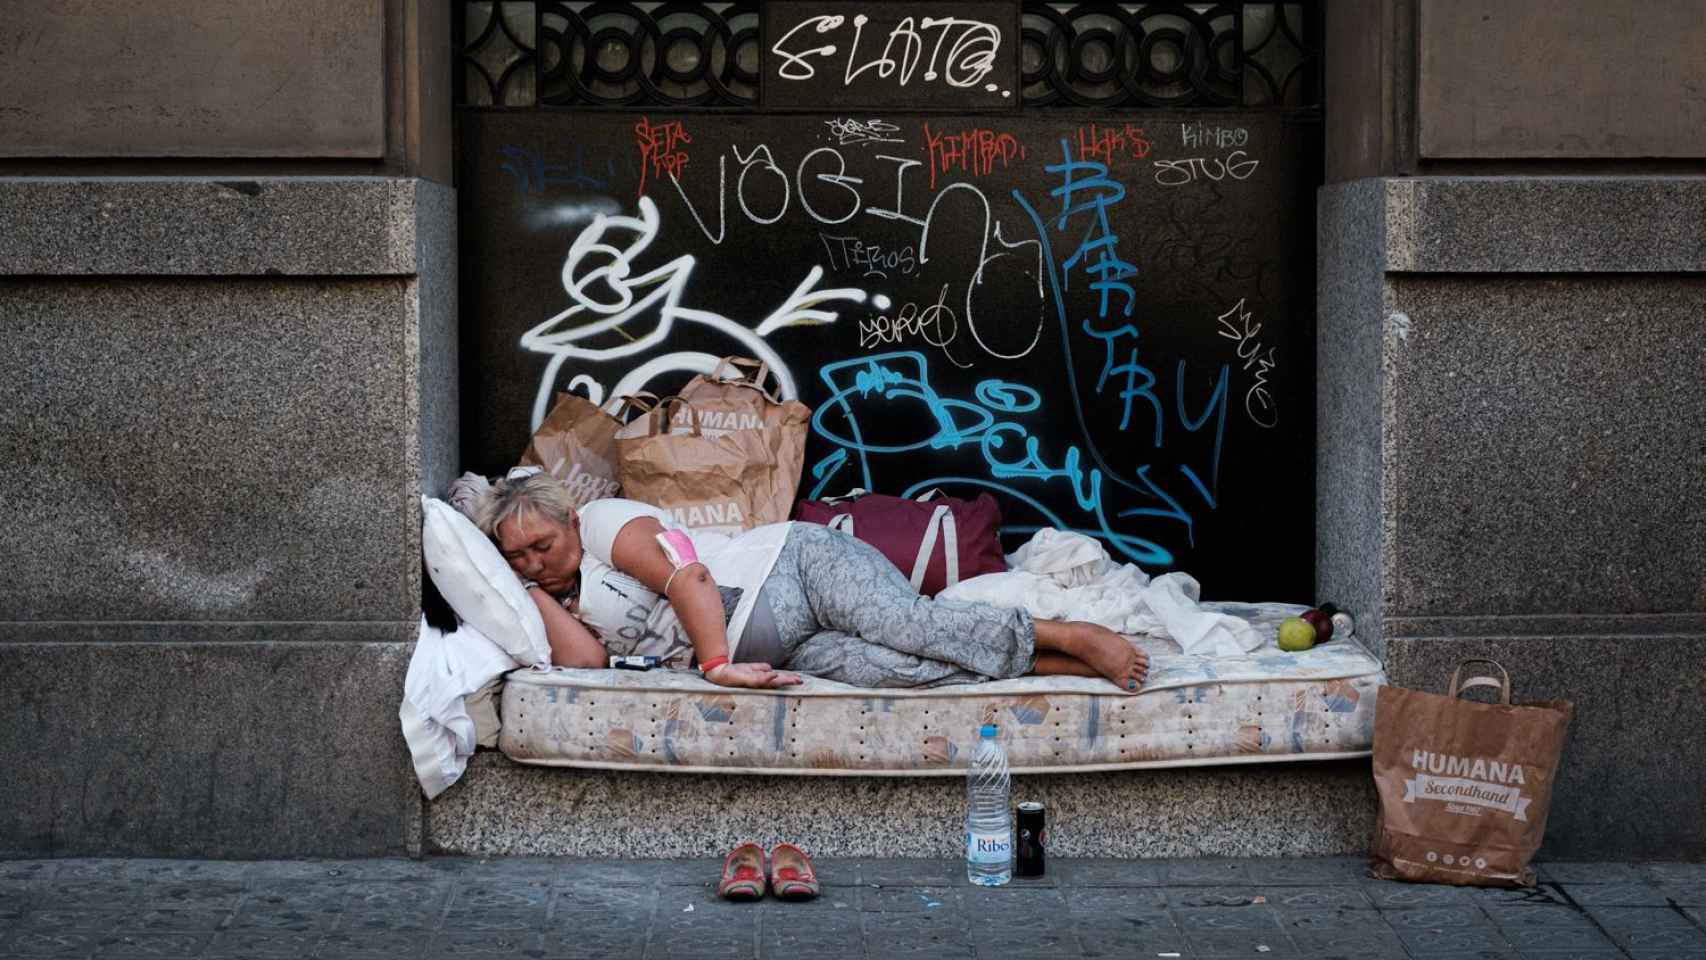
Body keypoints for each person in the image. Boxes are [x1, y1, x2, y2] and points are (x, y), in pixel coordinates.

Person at [475, 473, 1149, 692]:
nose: (536, 560)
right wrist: (533, 591)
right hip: (780, 648)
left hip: (792, 569)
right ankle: (1054, 660)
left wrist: (714, 664)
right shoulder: (542, 592)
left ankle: (1072, 633)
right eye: (519, 557)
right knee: (901, 670)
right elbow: (587, 660)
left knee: (910, 624)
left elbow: (692, 577)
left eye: (543, 545)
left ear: (569, 519)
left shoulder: (604, 524)